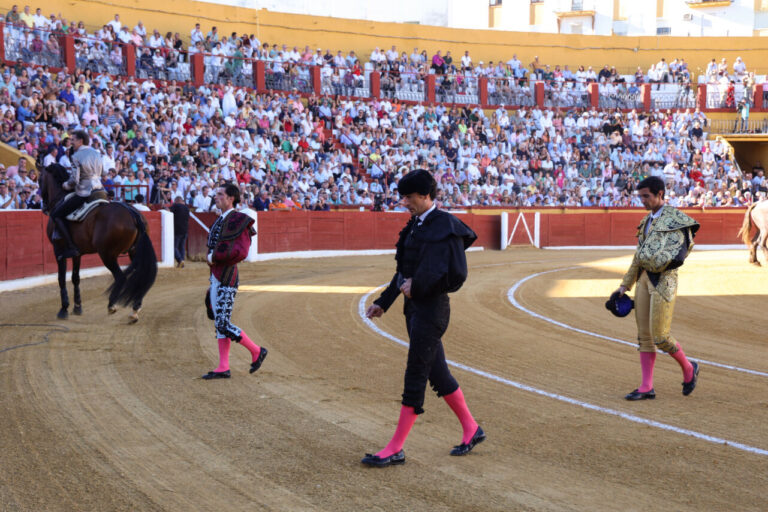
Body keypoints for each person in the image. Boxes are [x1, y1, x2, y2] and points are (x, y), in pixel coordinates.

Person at [362, 169, 484, 467]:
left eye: (409, 197)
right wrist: (384, 302)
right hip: (414, 310)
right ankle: (472, 428)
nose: (404, 202)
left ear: (426, 195)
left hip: (432, 311)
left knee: (416, 371)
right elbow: (403, 272)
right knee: (437, 373)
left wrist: (419, 286)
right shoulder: (416, 224)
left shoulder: (445, 225)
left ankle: (395, 448)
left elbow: (457, 276)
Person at [614, 176, 701, 401]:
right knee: (644, 337)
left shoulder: (676, 219)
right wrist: (625, 284)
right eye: (640, 196)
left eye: (646, 196)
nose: (643, 201)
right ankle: (646, 386)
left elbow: (680, 254)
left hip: (664, 280)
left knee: (661, 336)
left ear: (660, 194)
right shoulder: (646, 222)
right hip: (643, 280)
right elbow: (638, 257)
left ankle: (689, 367)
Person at [202, 183, 267, 380]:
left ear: (231, 198)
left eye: (220, 194)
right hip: (217, 276)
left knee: (223, 322)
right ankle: (223, 366)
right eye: (216, 194)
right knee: (220, 323)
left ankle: (256, 351)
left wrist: (214, 257)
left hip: (227, 277)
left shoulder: (237, 220)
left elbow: (241, 251)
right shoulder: (222, 219)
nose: (216, 197)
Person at [49, 131, 104, 260]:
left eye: (73, 140)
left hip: (85, 192)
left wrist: (65, 186)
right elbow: (102, 172)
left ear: (80, 141)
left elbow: (75, 180)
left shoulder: (77, 156)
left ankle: (71, 247)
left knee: (56, 214)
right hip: (100, 191)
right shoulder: (96, 153)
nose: (71, 142)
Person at [169, 195, 190, 268]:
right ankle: (182, 263)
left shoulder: (176, 205)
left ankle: (180, 260)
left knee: (173, 247)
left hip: (177, 230)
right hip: (185, 230)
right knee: (182, 247)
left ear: (176, 201)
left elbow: (168, 212)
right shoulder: (186, 208)